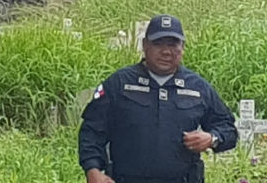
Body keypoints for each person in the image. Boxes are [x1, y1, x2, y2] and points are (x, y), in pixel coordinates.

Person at [79, 14, 238, 183]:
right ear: (145, 45)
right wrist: (92, 170)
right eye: (158, 44)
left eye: (173, 44)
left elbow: (228, 129)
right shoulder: (119, 84)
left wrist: (212, 139)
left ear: (182, 47)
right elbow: (92, 131)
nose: (166, 51)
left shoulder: (197, 87)